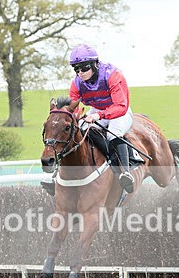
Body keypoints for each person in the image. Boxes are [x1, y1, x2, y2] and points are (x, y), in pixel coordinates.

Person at [43, 44, 135, 195]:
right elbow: (73, 107)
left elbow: (121, 105)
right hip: (96, 110)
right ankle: (55, 175)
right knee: (74, 133)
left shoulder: (113, 75)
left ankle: (125, 172)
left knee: (113, 133)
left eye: (84, 68)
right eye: (76, 69)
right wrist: (73, 118)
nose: (80, 72)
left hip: (119, 111)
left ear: (94, 64)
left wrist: (99, 115)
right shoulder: (77, 83)